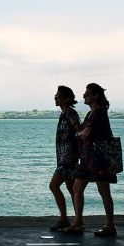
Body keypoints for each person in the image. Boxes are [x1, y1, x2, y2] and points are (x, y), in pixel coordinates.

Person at [61, 83, 118, 236]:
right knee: (77, 188)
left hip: (99, 159)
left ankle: (110, 226)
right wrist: (80, 134)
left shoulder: (99, 112)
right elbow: (84, 131)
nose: (84, 96)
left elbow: (85, 132)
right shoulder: (90, 113)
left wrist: (77, 135)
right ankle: (78, 222)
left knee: (103, 191)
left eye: (87, 94)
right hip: (87, 158)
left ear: (95, 96)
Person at [49, 86, 81, 231]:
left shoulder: (70, 113)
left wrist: (79, 152)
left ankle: (64, 219)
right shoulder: (64, 114)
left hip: (69, 158)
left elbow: (79, 131)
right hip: (64, 156)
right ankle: (77, 221)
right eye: (56, 96)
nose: (56, 98)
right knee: (71, 188)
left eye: (59, 96)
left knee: (54, 185)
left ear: (67, 99)